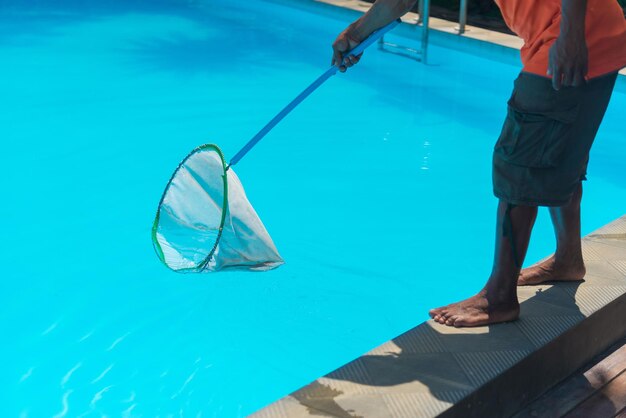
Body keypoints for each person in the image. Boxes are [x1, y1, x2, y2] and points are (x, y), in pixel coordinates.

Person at [332, 0, 626, 327]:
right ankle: (568, 260)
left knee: (520, 159)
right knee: (562, 149)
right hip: (591, 29)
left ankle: (498, 298)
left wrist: (570, 36)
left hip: (574, 33)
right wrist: (356, 33)